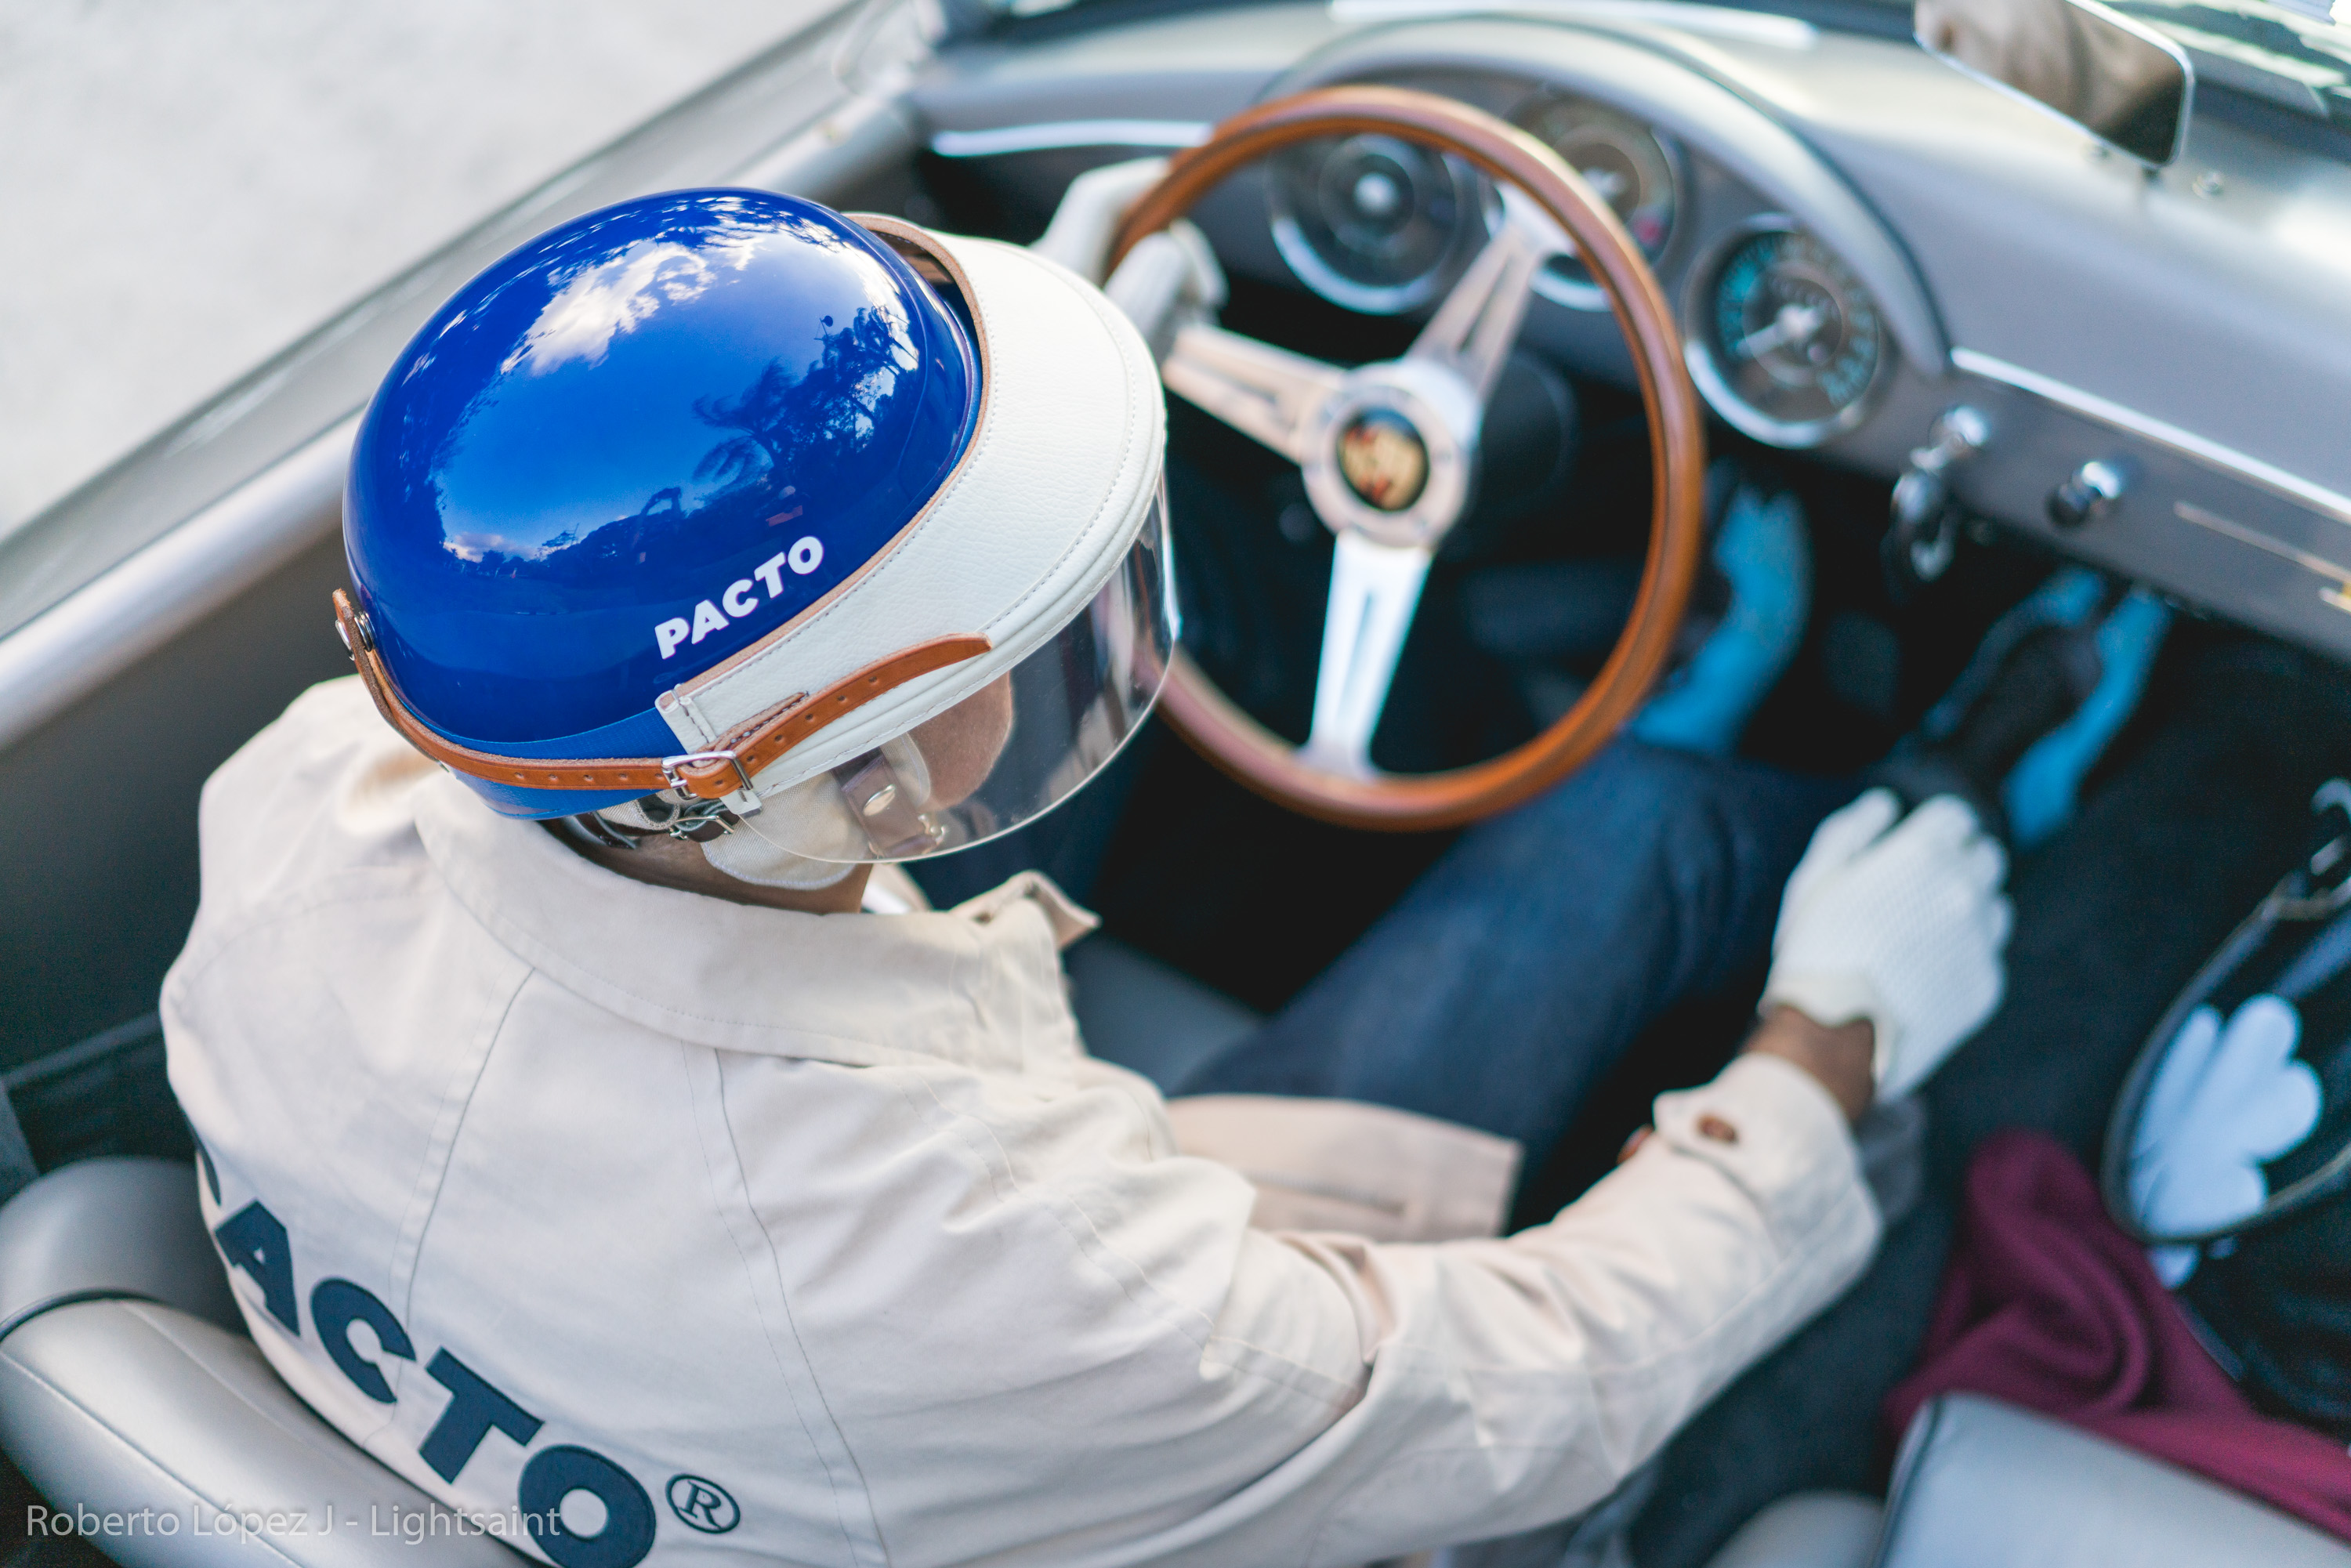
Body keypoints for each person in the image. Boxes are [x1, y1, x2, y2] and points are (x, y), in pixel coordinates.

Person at [164, 188, 2010, 1568]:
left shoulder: (300, 807)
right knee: (1657, 836)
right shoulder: (1030, 1277)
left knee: (1622, 817)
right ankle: (1955, 794)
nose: (1057, 618)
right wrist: (1823, 1046)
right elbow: (1532, 1388)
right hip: (1024, 1402)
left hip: (782, 1352)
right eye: (1012, 608)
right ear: (865, 780)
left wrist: (947, 409)